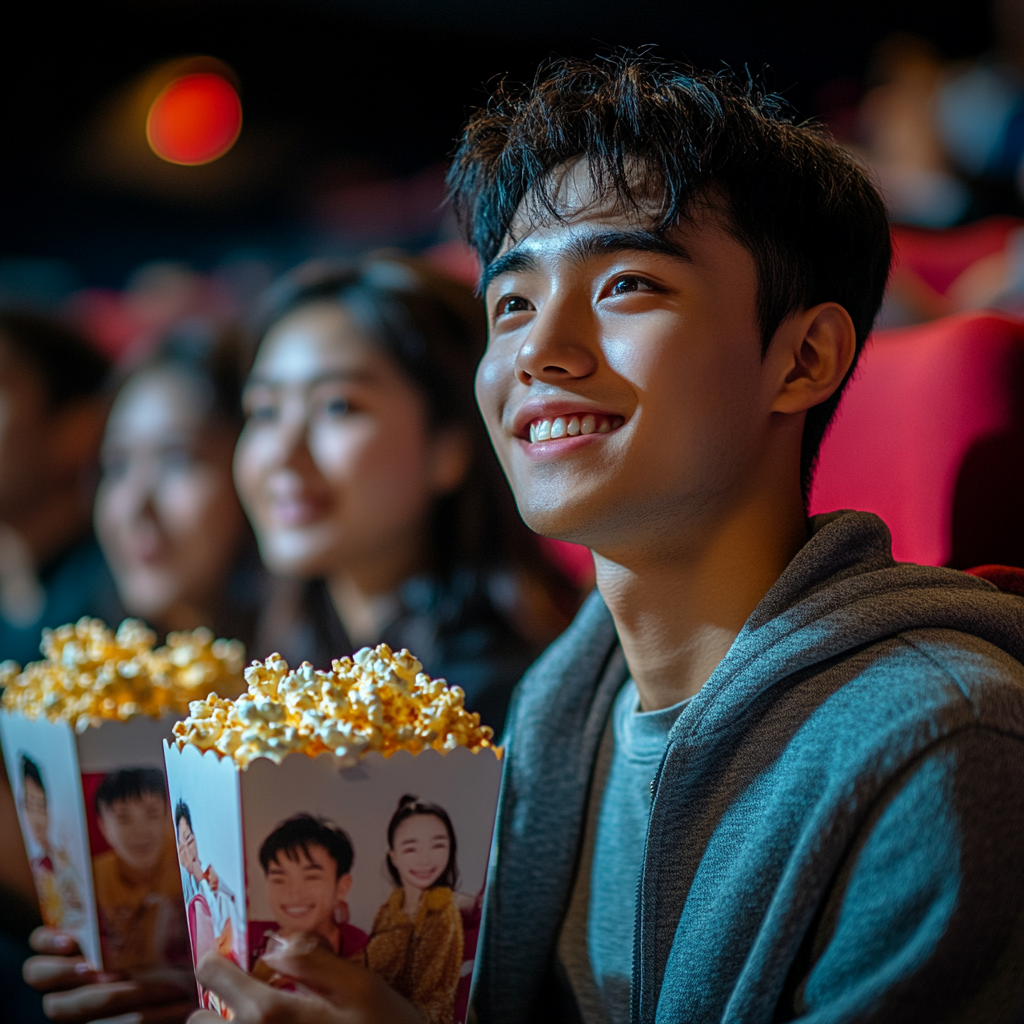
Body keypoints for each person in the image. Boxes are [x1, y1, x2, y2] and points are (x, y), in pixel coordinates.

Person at [193, 53, 1024, 1024]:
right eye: (510, 303)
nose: (539, 351)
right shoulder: (561, 708)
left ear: (802, 359)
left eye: (626, 283)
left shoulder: (945, 745)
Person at [234, 254, 579, 736]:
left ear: (450, 444)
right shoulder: (284, 656)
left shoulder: (484, 704)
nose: (282, 455)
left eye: (337, 406)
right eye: (265, 411)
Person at [94, 329, 261, 647]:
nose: (134, 505)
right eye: (117, 464)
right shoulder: (91, 680)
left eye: (177, 460)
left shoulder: (326, 683)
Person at [362, 796, 463, 1024]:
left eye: (438, 846)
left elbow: (435, 1001)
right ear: (393, 857)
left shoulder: (442, 915)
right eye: (411, 849)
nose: (425, 859)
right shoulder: (387, 911)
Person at [91, 768, 189, 972]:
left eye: (152, 814)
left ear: (167, 817)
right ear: (104, 827)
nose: (140, 831)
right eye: (123, 818)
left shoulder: (189, 861)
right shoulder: (94, 877)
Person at [252, 814, 367, 978]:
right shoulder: (245, 941)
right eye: (279, 880)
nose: (294, 892)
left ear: (342, 887)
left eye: (311, 878)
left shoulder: (365, 953)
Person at [19, 756, 85, 933]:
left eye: (41, 807)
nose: (37, 820)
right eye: (29, 806)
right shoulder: (37, 863)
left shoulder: (66, 862)